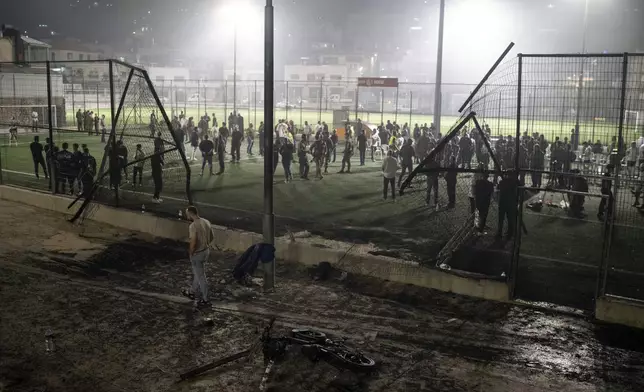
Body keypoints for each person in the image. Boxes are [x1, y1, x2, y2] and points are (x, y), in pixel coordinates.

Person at [183, 205, 213, 307]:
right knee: (198, 273)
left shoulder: (193, 226)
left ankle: (206, 299)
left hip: (198, 254)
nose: (186, 215)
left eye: (187, 213)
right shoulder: (206, 222)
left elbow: (193, 241)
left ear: (190, 214)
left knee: (201, 276)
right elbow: (212, 237)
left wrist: (191, 252)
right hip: (206, 251)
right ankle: (191, 291)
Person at [496, 171, 519, 240]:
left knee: (501, 219)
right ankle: (510, 232)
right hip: (511, 203)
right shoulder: (515, 182)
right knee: (510, 218)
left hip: (503, 202)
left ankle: (499, 232)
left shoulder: (502, 182)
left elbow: (498, 187)